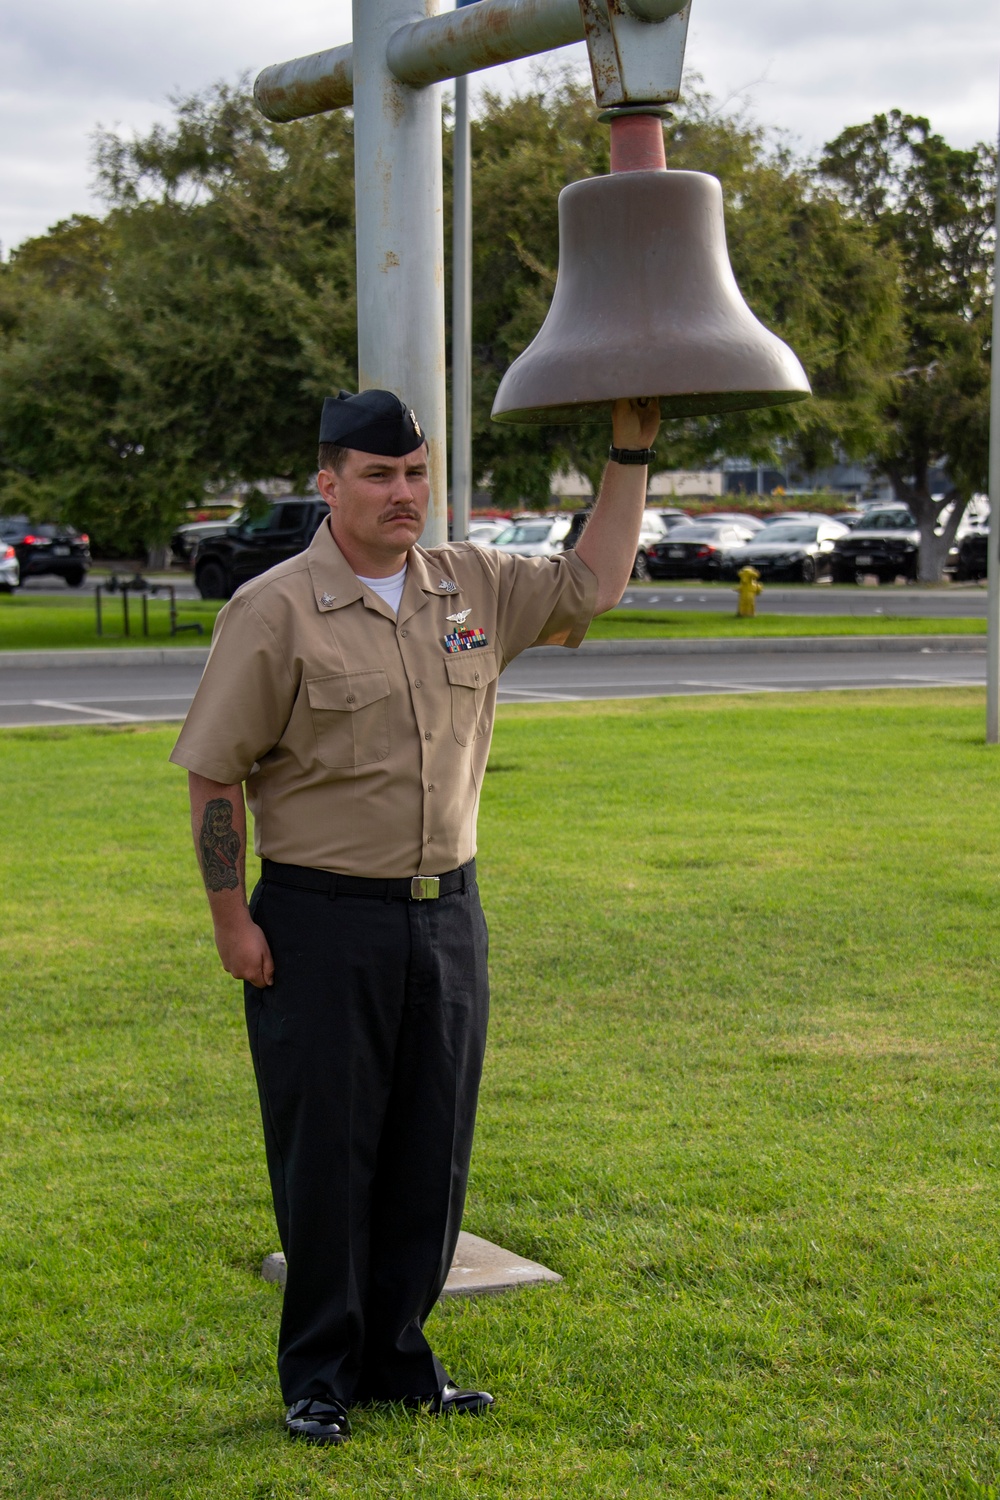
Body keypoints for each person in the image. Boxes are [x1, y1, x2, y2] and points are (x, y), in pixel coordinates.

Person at [170, 387, 660, 1444]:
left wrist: (629, 452)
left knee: (428, 1151)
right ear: (328, 483)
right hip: (317, 917)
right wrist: (229, 921)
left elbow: (596, 583)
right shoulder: (274, 609)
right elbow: (216, 777)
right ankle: (318, 1376)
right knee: (328, 1153)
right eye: (381, 475)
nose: (404, 493)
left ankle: (400, 1361)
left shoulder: (469, 583)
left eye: (416, 473)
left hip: (447, 916)